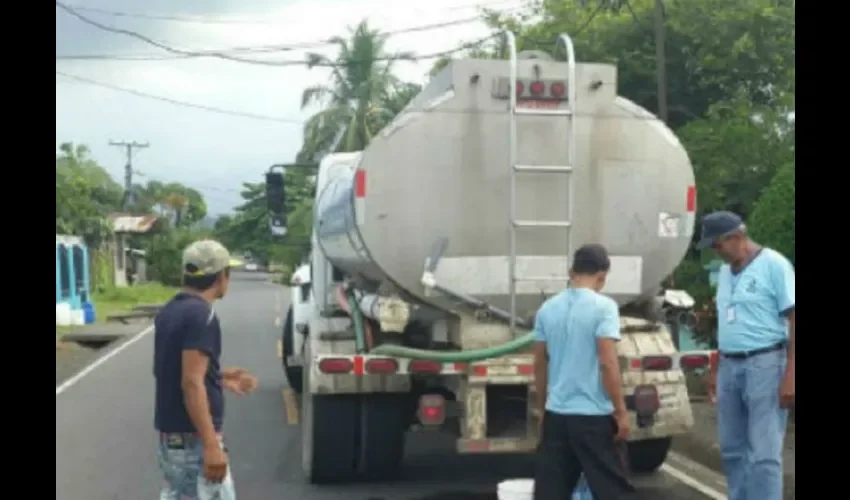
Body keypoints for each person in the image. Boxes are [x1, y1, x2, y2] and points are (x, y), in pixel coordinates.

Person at [697, 211, 795, 500]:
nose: (716, 253)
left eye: (717, 245)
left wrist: (791, 375)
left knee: (763, 452)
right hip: (730, 364)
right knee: (731, 448)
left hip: (766, 363)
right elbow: (726, 321)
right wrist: (715, 367)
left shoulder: (774, 265)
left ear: (737, 237)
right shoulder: (726, 272)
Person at [154, 239, 259, 500]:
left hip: (173, 438)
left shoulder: (170, 310)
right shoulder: (203, 316)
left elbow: (167, 371)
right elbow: (190, 382)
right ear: (221, 276)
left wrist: (218, 377)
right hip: (194, 440)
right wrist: (211, 445)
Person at [532, 243, 636, 500]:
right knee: (613, 489)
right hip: (592, 417)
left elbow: (539, 363)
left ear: (571, 272)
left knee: (551, 492)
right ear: (602, 276)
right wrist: (621, 412)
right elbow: (607, 363)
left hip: (557, 415)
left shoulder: (547, 309)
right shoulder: (604, 307)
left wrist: (542, 408)